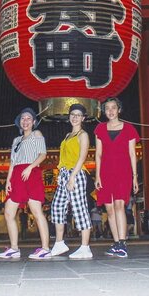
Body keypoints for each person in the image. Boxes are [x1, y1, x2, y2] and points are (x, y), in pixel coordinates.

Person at [0, 107, 51, 260]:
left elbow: (43, 154)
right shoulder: (16, 140)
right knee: (8, 212)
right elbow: (12, 162)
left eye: (28, 118)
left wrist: (30, 167)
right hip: (17, 176)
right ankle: (14, 248)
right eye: (22, 119)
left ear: (33, 122)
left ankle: (45, 248)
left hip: (31, 173)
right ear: (19, 123)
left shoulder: (36, 134)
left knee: (36, 211)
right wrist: (8, 180)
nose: (25, 121)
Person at [94, 97, 140, 258]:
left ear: (119, 110)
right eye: (107, 108)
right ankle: (116, 242)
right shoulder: (100, 129)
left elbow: (133, 154)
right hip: (106, 172)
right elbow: (98, 154)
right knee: (109, 209)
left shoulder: (129, 129)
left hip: (123, 171)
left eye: (114, 107)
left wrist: (135, 177)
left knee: (120, 205)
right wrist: (97, 175)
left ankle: (122, 242)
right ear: (104, 111)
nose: (111, 111)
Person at [50, 103, 93, 260]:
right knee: (57, 207)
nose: (75, 117)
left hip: (76, 173)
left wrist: (73, 176)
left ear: (83, 118)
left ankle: (85, 247)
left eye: (78, 115)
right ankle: (60, 243)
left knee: (79, 208)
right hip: (64, 174)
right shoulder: (68, 135)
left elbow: (82, 157)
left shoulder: (83, 135)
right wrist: (61, 175)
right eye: (72, 114)